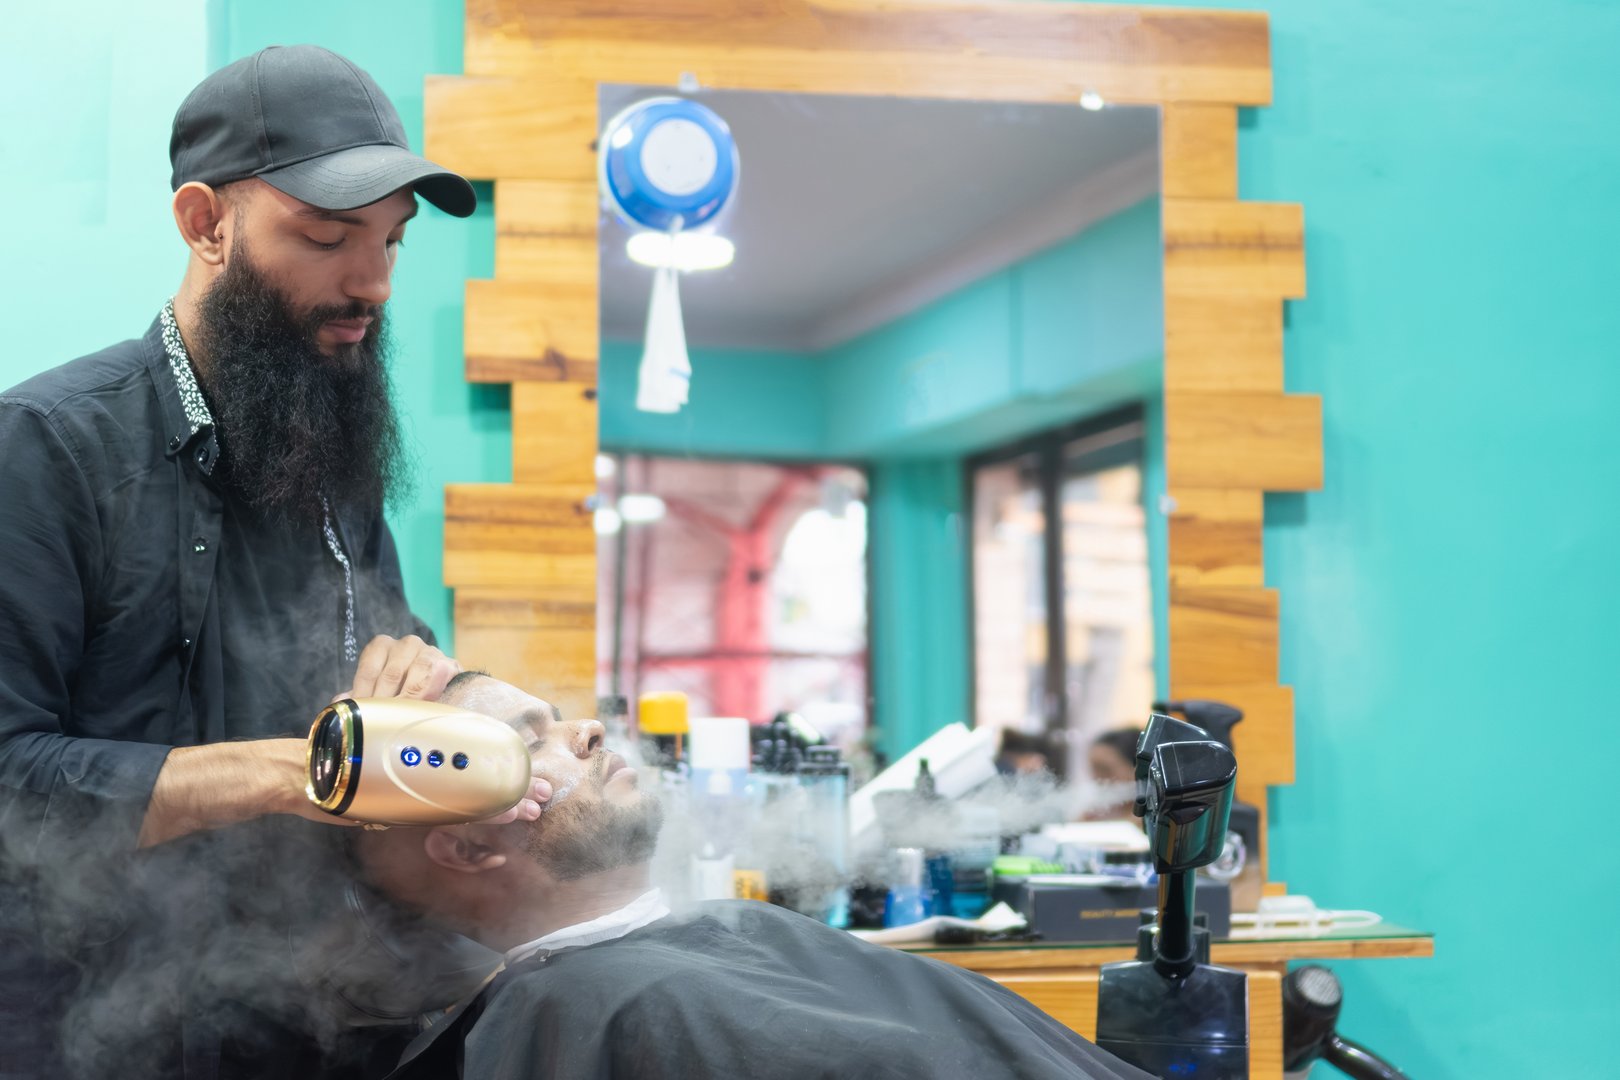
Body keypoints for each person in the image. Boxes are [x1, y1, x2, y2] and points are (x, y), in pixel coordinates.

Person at [0, 46, 549, 1080]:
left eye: (393, 241)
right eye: (329, 236)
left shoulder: (327, 445)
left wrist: (460, 692)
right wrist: (298, 774)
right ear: (206, 224)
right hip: (84, 1033)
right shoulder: (45, 447)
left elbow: (391, 654)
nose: (373, 283)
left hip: (301, 1016)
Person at [355, 672, 1155, 1080]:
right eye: (533, 742)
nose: (589, 729)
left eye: (561, 716)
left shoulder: (725, 939)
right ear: (464, 850)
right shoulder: (594, 1005)